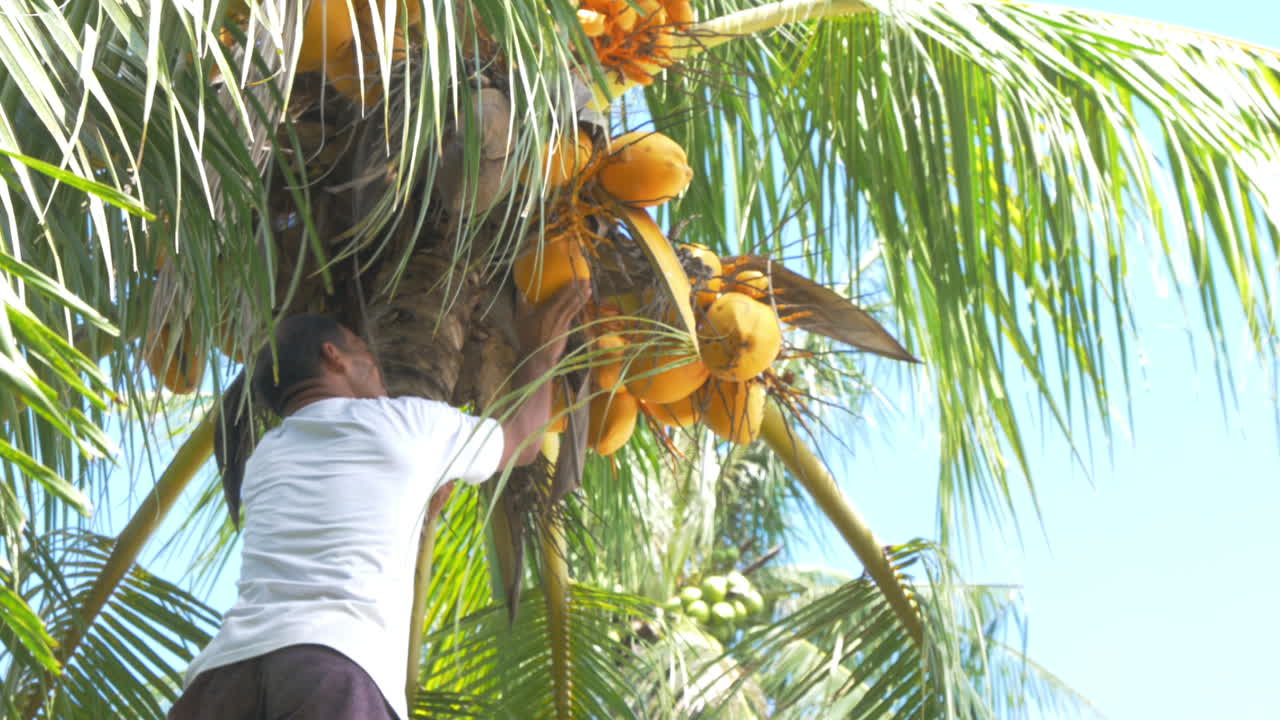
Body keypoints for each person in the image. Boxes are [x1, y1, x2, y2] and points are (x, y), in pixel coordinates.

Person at [167, 283, 587, 720]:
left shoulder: (265, 459)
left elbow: (337, 513)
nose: (376, 367)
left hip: (221, 680)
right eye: (363, 350)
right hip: (327, 666)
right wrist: (541, 353)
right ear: (335, 356)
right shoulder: (405, 423)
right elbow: (524, 441)